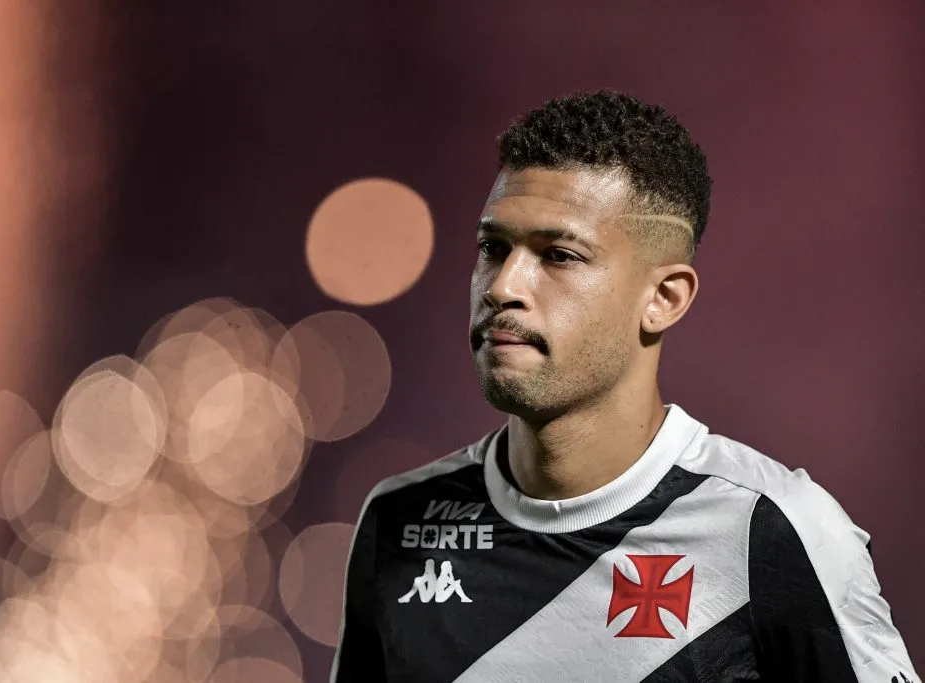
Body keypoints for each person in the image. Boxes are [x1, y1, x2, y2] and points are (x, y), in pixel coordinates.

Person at [330, 90, 918, 682]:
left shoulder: (771, 528)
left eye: (558, 255)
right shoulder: (398, 521)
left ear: (663, 299)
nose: (503, 285)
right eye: (494, 248)